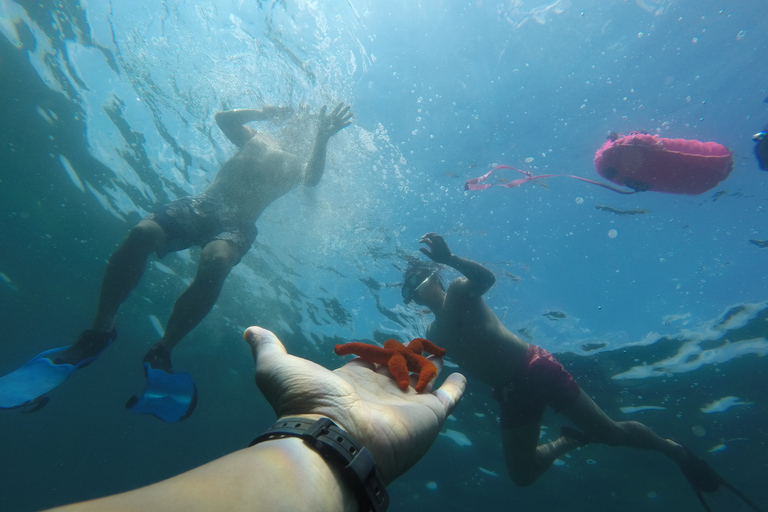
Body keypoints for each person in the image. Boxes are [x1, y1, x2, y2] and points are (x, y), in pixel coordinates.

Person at [0, 104, 353, 422]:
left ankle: (164, 348)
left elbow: (312, 179)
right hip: (202, 204)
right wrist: (265, 110)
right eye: (303, 121)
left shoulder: (299, 163)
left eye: (311, 127)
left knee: (217, 260)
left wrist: (322, 138)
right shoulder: (258, 137)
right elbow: (223, 118)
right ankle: (99, 331)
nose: (302, 126)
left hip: (238, 223)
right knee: (141, 233)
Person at [401, 232, 764, 511]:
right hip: (512, 393)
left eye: (422, 281)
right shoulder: (433, 334)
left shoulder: (462, 292)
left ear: (437, 277)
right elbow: (433, 366)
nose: (419, 293)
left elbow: (486, 279)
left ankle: (677, 453)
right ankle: (568, 441)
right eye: (411, 292)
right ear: (413, 300)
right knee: (522, 475)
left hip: (535, 367)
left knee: (609, 432)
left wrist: (450, 257)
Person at [44, 326, 466, 512]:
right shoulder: (401, 356)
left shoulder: (401, 355)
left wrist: (325, 420)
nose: (409, 362)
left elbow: (409, 354)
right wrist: (346, 437)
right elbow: (410, 355)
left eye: (416, 361)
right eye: (413, 359)